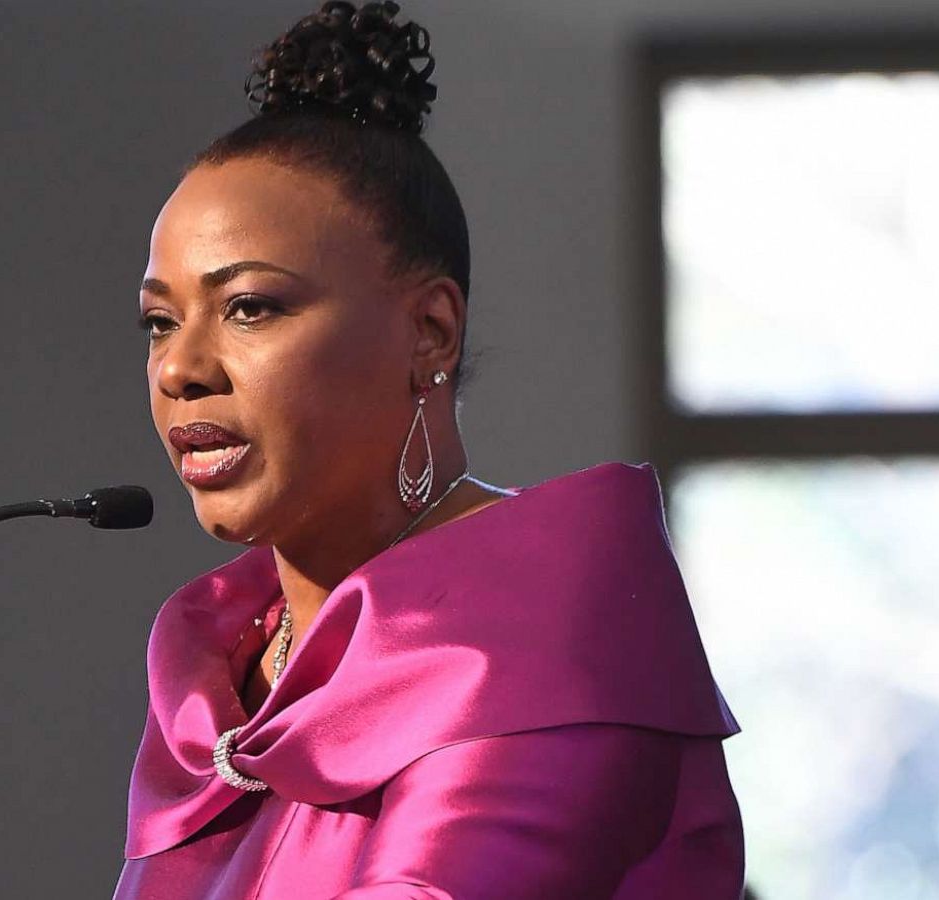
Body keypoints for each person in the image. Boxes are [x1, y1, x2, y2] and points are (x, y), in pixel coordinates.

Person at [114, 2, 743, 897]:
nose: (179, 367)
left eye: (251, 306)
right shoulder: (220, 666)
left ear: (431, 332)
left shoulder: (541, 646)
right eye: (159, 322)